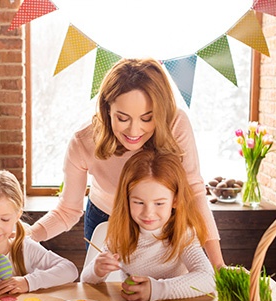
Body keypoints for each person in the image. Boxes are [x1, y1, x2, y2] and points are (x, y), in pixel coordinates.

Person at [28, 58, 225, 269]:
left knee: (167, 291)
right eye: (122, 118)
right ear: (107, 110)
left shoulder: (175, 123)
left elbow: (193, 191)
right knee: (105, 291)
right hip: (107, 218)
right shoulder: (84, 141)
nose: (134, 131)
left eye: (147, 118)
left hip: (163, 217)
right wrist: (27, 236)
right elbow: (67, 210)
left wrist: (218, 264)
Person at [80, 151, 214, 301]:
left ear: (175, 201)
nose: (148, 213)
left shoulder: (183, 233)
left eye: (159, 203)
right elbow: (86, 281)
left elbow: (208, 278)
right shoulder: (120, 233)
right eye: (138, 202)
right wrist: (96, 270)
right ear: (127, 200)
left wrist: (157, 290)